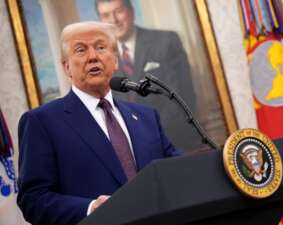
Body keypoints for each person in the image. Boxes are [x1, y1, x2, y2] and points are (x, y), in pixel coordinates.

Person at [17, 21, 182, 225]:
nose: (93, 56)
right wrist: (89, 208)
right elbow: (33, 199)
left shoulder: (147, 117)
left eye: (101, 47)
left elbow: (178, 171)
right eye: (81, 50)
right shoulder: (42, 122)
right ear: (66, 66)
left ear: (115, 60)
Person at [95, 0, 199, 151]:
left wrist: (150, 137)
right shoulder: (100, 60)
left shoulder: (166, 41)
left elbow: (183, 97)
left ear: (131, 11)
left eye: (118, 11)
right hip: (134, 154)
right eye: (106, 15)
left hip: (175, 143)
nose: (114, 20)